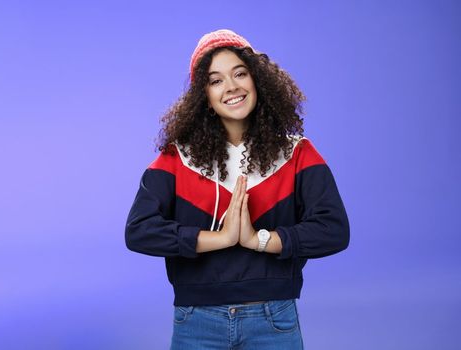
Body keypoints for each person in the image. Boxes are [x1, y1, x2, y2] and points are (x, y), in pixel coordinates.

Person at [124, 29, 350, 349]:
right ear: (205, 98)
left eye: (240, 73)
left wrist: (260, 240)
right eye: (216, 80)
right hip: (196, 321)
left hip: (273, 319)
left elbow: (334, 229)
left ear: (258, 81)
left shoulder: (298, 154)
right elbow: (138, 231)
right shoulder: (176, 159)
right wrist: (220, 239)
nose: (231, 87)